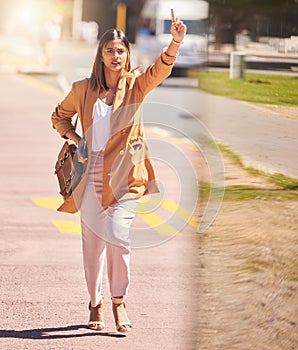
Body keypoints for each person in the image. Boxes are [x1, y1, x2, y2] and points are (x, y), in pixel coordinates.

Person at [51, 8, 187, 333]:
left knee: (118, 235)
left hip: (126, 177)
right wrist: (76, 138)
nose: (116, 55)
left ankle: (118, 300)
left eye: (121, 50)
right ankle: (94, 301)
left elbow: (160, 69)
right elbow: (59, 117)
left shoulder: (136, 87)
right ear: (100, 55)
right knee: (92, 245)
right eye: (110, 50)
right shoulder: (82, 89)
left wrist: (175, 42)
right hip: (90, 175)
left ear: (127, 56)